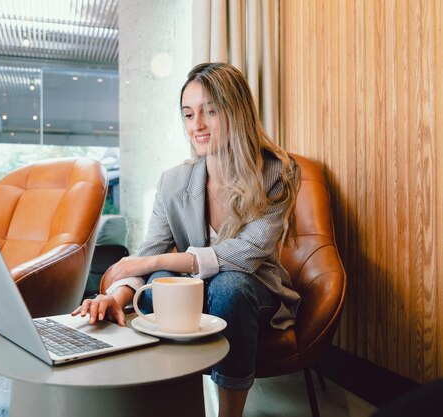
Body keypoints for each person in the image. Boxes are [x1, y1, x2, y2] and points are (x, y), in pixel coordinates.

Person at [72, 62, 301, 417]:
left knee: (229, 286)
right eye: (189, 114)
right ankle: (177, 403)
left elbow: (247, 253)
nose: (198, 125)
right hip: (197, 293)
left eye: (211, 111)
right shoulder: (173, 181)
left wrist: (154, 262)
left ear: (236, 111)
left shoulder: (277, 172)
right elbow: (150, 253)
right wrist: (115, 297)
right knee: (157, 286)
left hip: (255, 292)